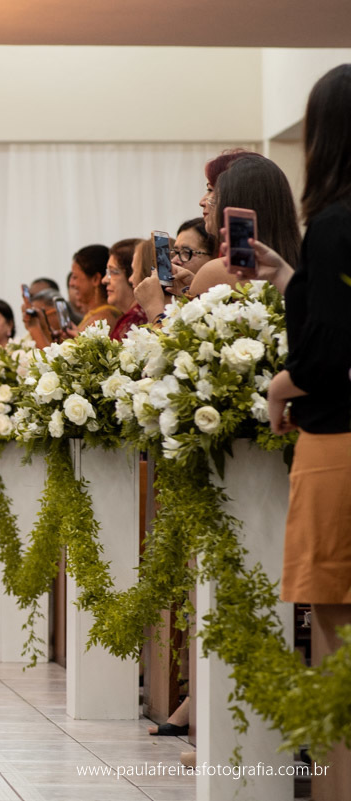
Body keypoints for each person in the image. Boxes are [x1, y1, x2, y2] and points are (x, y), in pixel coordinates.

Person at [265, 63, 351, 801]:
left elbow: (325, 357)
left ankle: (331, 783)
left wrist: (277, 383)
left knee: (333, 615)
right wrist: (294, 281)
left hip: (338, 444)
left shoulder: (331, 225)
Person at [186, 155, 302, 298]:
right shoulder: (305, 266)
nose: (203, 201)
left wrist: (155, 304)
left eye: (211, 190)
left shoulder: (216, 272)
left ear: (234, 200)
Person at [70, 244, 121, 332]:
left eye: (75, 277)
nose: (71, 283)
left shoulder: (102, 320)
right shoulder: (97, 315)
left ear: (95, 279)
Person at [106, 238, 144, 340]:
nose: (104, 280)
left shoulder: (135, 320)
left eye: (113, 272)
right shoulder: (132, 317)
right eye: (107, 273)